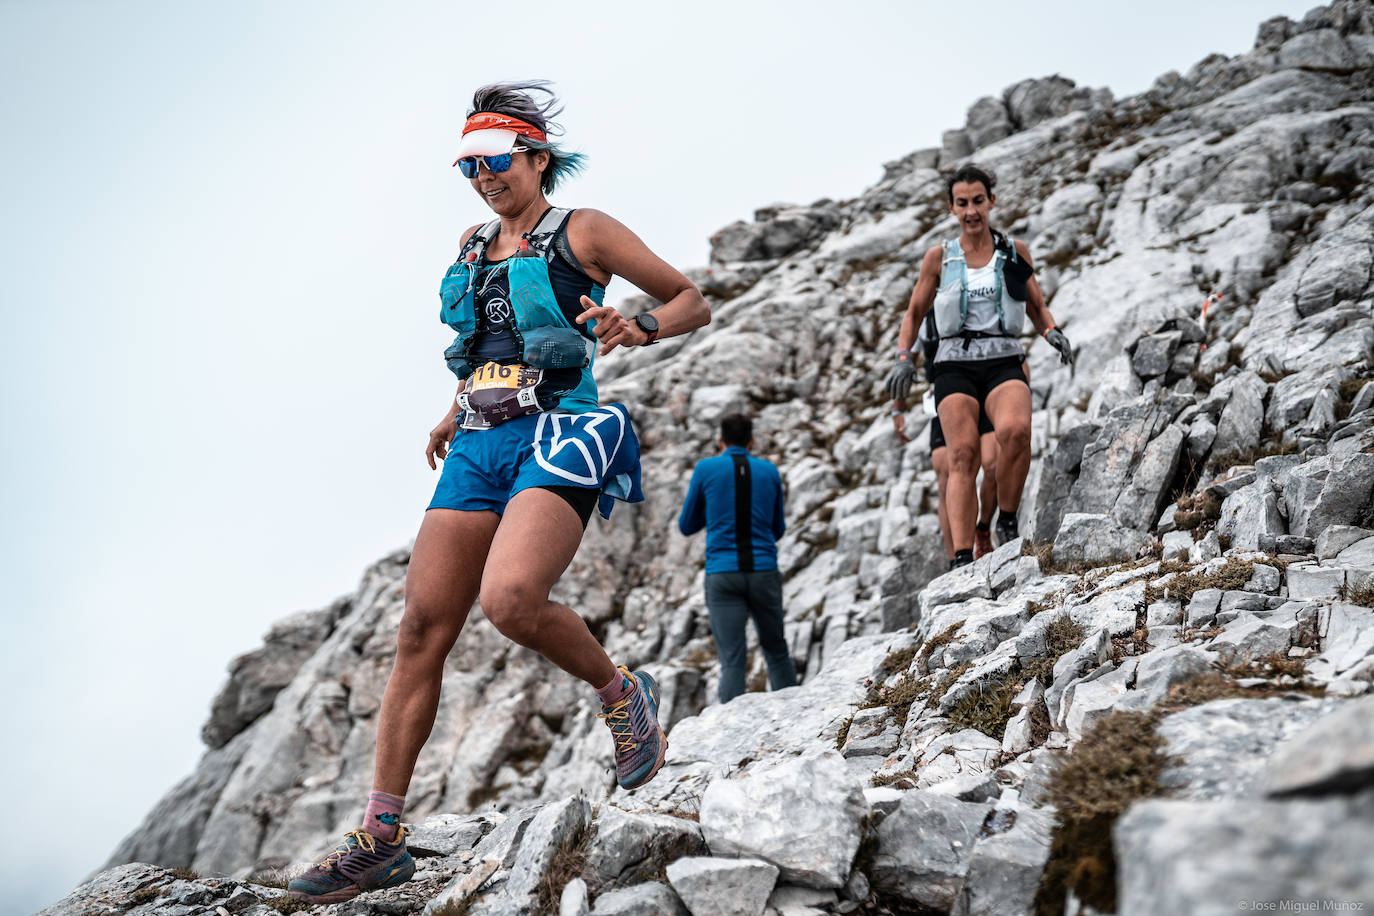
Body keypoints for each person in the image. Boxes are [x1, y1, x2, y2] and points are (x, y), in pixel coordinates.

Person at [288, 81, 711, 904]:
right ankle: (379, 837)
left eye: (494, 160)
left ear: (536, 156)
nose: (482, 177)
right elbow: (486, 341)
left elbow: (689, 298)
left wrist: (641, 326)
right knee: (420, 626)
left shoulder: (583, 230)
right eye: (468, 166)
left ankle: (621, 694)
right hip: (480, 440)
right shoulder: (473, 241)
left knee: (512, 600)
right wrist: (452, 411)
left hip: (564, 429)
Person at [886, 164, 1072, 568]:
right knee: (962, 456)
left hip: (1004, 359)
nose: (971, 211)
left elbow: (1036, 305)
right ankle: (960, 556)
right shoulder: (939, 258)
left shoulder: (1013, 251)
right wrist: (905, 358)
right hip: (953, 365)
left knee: (1016, 432)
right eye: (962, 203)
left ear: (991, 201)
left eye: (978, 201)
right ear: (952, 208)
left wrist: (1052, 332)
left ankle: (1005, 516)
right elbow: (914, 314)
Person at [678, 414, 799, 704]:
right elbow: (778, 529)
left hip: (723, 574)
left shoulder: (706, 469)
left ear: (720, 440)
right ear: (752, 441)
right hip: (764, 572)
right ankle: (793, 713)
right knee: (776, 650)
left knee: (732, 658)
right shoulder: (769, 471)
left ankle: (731, 722)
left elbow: (686, 525)